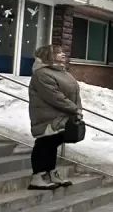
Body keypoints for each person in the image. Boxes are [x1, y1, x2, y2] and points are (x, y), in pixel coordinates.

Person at [27, 44, 82, 191]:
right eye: (58, 53)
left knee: (52, 144)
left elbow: (75, 94)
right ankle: (37, 177)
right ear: (48, 56)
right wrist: (74, 109)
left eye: (62, 52)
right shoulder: (41, 74)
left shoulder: (63, 72)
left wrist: (77, 109)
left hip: (62, 115)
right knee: (44, 144)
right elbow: (54, 96)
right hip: (47, 116)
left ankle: (51, 172)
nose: (63, 54)